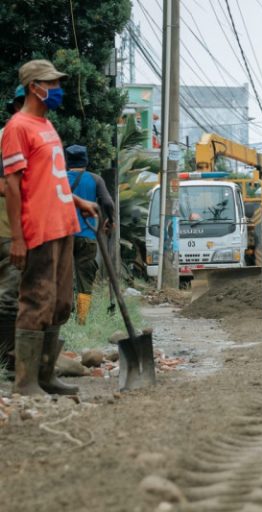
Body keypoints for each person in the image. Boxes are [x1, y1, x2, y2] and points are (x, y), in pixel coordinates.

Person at [1, 59, 98, 396]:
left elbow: (49, 180)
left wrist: (77, 201)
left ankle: (45, 375)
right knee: (36, 301)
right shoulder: (18, 126)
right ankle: (25, 383)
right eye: (51, 84)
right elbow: (13, 186)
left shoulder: (47, 125)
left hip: (64, 224)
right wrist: (17, 238)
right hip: (38, 227)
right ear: (34, 87)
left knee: (59, 304)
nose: (57, 89)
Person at [66, 144, 115, 325]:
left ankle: (65, 317)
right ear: (86, 161)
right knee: (84, 277)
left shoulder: (59, 179)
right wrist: (110, 219)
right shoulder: (95, 179)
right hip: (87, 236)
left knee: (64, 277)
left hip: (63, 237)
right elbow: (108, 204)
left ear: (68, 161)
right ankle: (81, 320)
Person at [0, 85, 26, 370]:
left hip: (13, 228)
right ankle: (8, 361)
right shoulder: (9, 138)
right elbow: (5, 185)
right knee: (9, 298)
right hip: (7, 229)